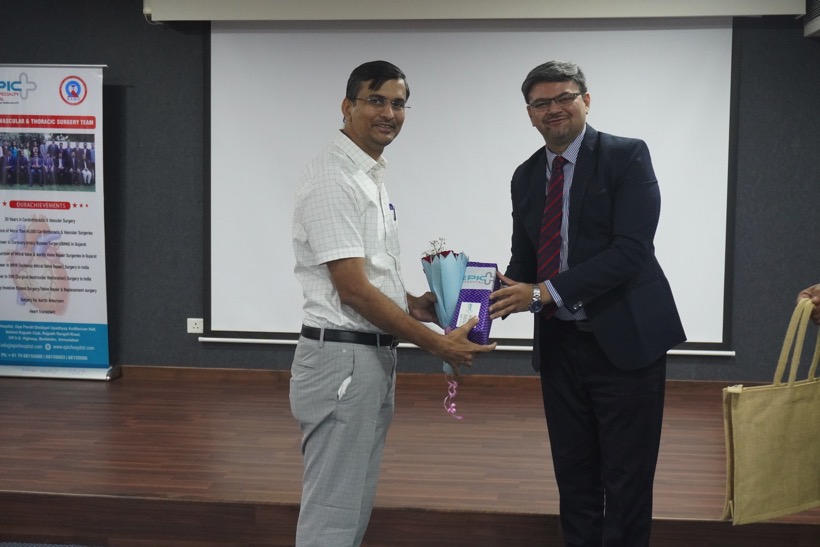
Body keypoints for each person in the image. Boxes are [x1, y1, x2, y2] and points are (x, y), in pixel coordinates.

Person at [290, 60, 495, 547]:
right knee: (333, 512)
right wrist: (438, 345)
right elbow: (353, 290)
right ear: (347, 106)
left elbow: (369, 277)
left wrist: (416, 305)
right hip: (344, 359)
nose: (389, 113)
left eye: (399, 104)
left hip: (366, 357)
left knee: (351, 504)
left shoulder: (368, 176)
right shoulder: (334, 178)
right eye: (376, 100)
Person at [489, 61, 686, 547]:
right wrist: (483, 294)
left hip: (625, 344)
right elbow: (527, 259)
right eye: (541, 103)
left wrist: (544, 292)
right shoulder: (525, 175)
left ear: (586, 101)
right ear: (530, 114)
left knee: (626, 481)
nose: (553, 109)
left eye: (564, 97)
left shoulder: (626, 156)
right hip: (560, 347)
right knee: (574, 477)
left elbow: (630, 252)